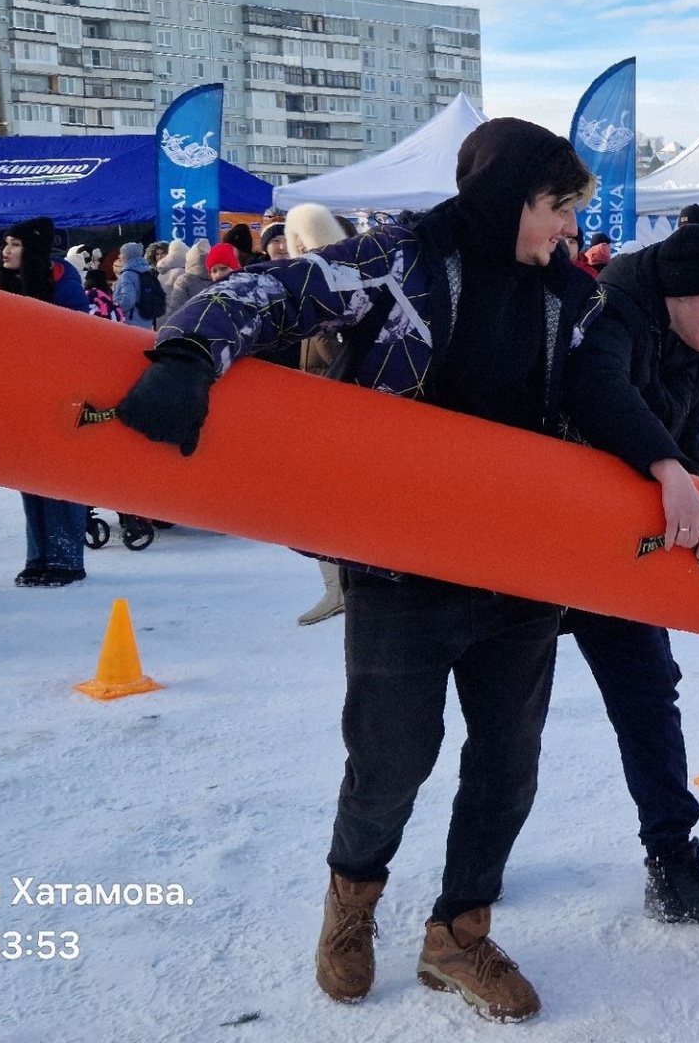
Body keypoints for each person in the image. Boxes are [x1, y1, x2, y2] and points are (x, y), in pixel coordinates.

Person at [116, 116, 600, 1023]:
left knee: (509, 763)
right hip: (403, 566)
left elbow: (599, 396)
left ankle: (459, 934)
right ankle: (352, 906)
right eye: (555, 207)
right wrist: (187, 353)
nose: (566, 227)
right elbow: (267, 288)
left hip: (522, 564)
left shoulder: (569, 297)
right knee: (390, 760)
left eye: (573, 210)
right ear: (505, 199)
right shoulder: (404, 259)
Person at [561, 223, 699, 929]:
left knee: (650, 694)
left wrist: (694, 484)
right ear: (679, 294)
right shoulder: (606, 311)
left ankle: (672, 865)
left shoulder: (694, 347)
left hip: (620, 560)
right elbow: (599, 389)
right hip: (540, 548)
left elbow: (692, 450)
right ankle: (469, 882)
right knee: (505, 724)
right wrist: (668, 467)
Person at [0, 217, 91, 588]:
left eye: (15, 244)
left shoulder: (62, 281)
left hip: (59, 394)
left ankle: (66, 558)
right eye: (5, 243)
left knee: (60, 476)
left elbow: (76, 337)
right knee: (29, 475)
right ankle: (38, 557)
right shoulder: (8, 283)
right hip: (21, 392)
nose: (5, 251)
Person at [283, 202, 357, 627]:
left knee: (331, 510)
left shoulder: (345, 294)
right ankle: (335, 588)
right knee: (317, 511)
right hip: (316, 416)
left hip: (341, 418)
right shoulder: (307, 291)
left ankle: (344, 588)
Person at [112, 241, 160, 328]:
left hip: (130, 321)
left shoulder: (128, 274)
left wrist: (115, 309)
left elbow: (128, 300)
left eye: (121, 254)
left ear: (128, 256)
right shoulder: (146, 271)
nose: (119, 256)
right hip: (145, 319)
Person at [164, 236, 214, 317]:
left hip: (190, 326)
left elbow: (175, 309)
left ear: (190, 259)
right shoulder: (218, 278)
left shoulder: (184, 280)